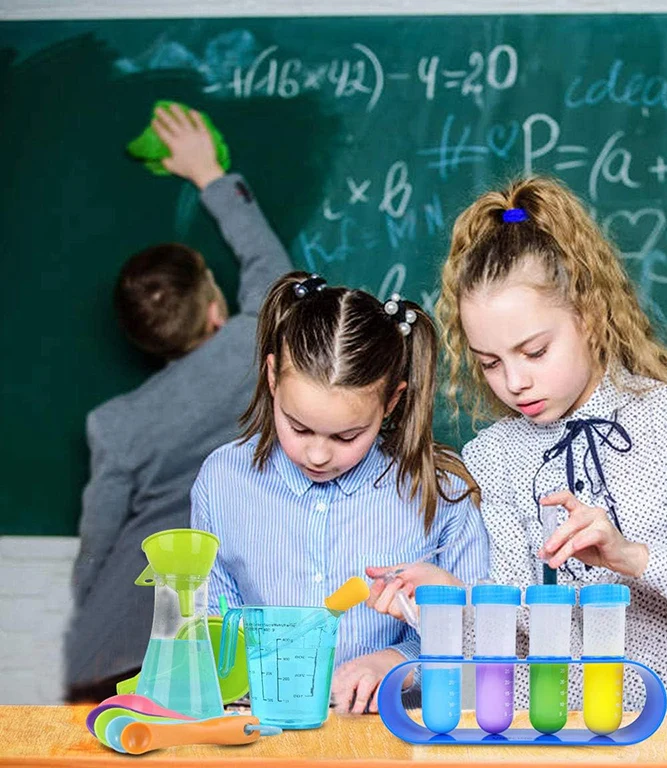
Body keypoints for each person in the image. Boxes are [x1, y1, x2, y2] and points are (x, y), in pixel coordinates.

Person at [367, 175, 667, 713]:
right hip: (550, 746)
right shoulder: (493, 456)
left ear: (588, 315)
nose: (514, 382)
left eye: (534, 351)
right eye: (490, 362)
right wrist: (451, 600)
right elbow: (517, 633)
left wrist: (630, 556)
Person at [65, 104, 293, 702]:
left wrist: (85, 617)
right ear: (216, 308)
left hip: (116, 649)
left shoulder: (116, 425)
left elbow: (96, 546)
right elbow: (273, 271)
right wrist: (208, 175)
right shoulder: (257, 347)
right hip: (218, 643)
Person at [190, 272, 489, 714]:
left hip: (392, 740)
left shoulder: (440, 494)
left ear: (390, 403)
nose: (317, 454)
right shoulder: (223, 480)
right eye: (298, 426)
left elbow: (483, 644)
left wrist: (400, 661)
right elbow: (213, 622)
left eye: (347, 436)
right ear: (273, 378)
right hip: (259, 734)